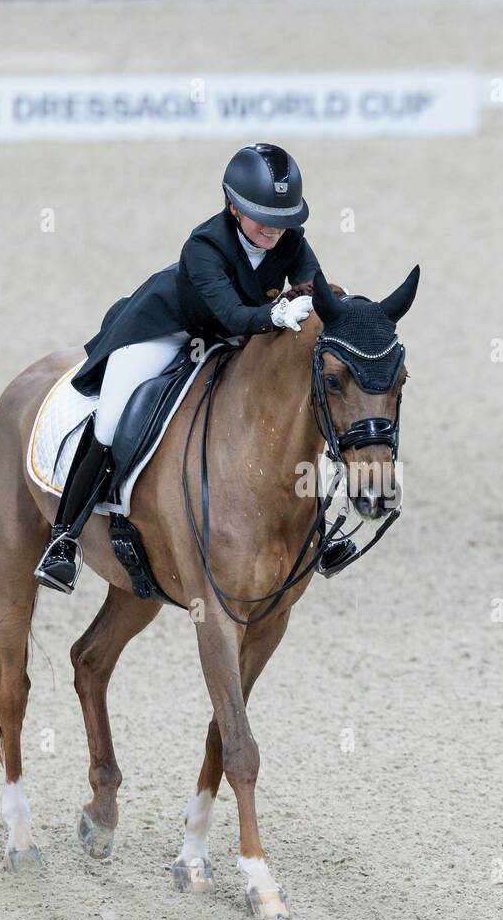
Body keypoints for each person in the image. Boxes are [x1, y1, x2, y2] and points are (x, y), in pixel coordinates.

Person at [35, 143, 320, 593]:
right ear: (233, 206)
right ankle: (63, 539)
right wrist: (274, 316)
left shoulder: (290, 240)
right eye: (263, 217)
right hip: (164, 331)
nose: (274, 230)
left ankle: (321, 528)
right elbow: (229, 313)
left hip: (229, 337)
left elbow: (314, 291)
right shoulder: (205, 245)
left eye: (283, 220)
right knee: (109, 424)